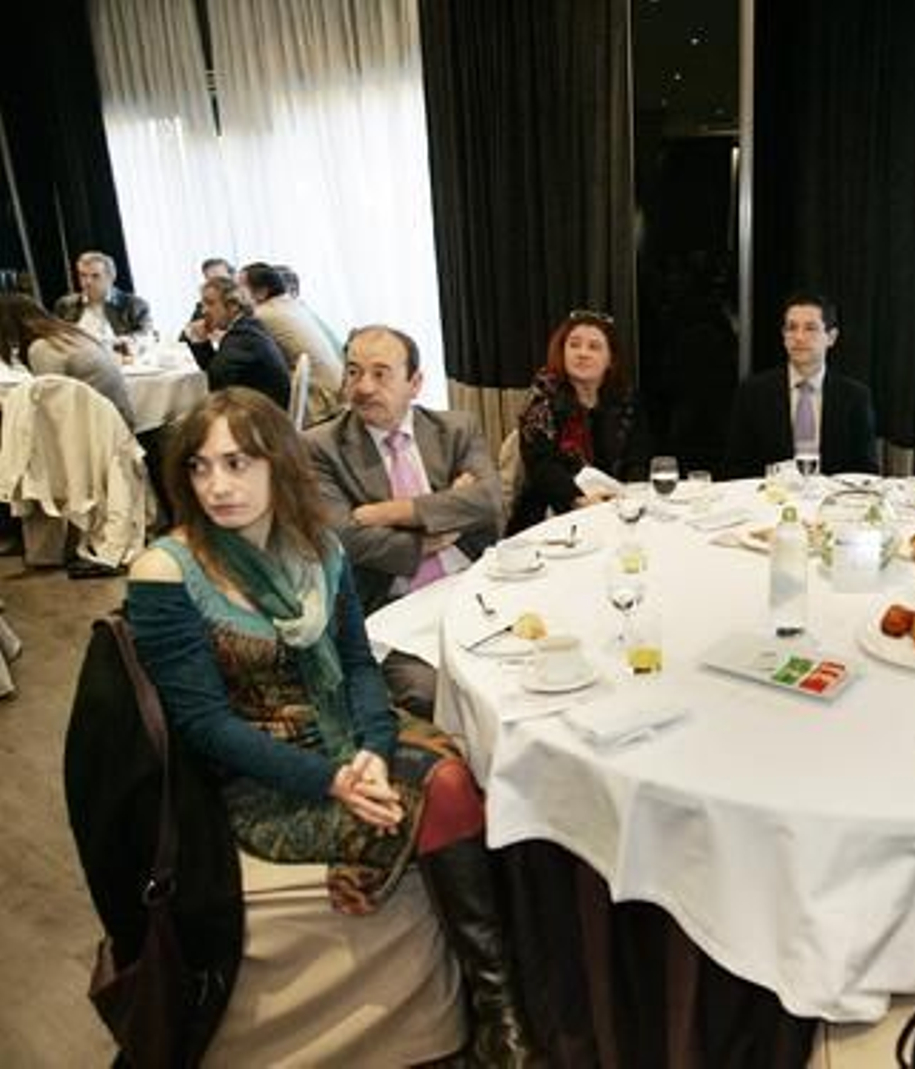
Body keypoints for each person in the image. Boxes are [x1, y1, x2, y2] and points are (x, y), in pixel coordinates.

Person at [124, 389, 532, 1063]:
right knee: (440, 792)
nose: (218, 486)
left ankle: (496, 1004)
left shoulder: (318, 548)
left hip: (345, 736)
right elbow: (204, 725)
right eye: (200, 467)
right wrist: (331, 778)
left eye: (237, 463)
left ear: (278, 463)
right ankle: (499, 1008)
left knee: (463, 772)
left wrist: (371, 748)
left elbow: (357, 663)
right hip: (259, 775)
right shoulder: (168, 572)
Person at [305, 324, 501, 714]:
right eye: (354, 371)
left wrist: (389, 513)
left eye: (380, 373)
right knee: (432, 695)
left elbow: (491, 500)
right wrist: (437, 531)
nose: (362, 388)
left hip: (476, 587)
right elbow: (344, 537)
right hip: (394, 603)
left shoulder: (456, 429)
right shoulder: (319, 447)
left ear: (415, 383)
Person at [505, 309, 651, 535]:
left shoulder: (625, 397)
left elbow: (638, 456)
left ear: (610, 359)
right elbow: (542, 468)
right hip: (553, 512)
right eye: (574, 345)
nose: (582, 353)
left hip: (616, 505)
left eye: (594, 347)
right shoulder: (541, 398)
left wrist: (629, 494)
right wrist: (578, 500)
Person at [721, 291, 878, 478]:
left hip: (831, 503)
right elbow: (735, 468)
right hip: (770, 501)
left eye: (810, 328)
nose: (799, 337)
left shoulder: (855, 396)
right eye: (791, 328)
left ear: (831, 337)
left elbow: (866, 472)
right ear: (783, 336)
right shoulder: (753, 392)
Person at [0, 292, 135, 429]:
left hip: (101, 431)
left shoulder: (42, 347)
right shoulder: (67, 334)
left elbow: (53, 406)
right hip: (117, 421)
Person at [238, 262, 344, 423]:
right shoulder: (290, 304)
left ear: (261, 292)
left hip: (320, 397)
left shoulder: (264, 315)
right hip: (337, 388)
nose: (235, 293)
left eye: (240, 287)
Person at [185, 277, 292, 408]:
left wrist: (200, 341)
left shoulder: (243, 337)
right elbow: (215, 371)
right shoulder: (247, 326)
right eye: (203, 304)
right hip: (264, 407)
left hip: (262, 417)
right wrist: (201, 341)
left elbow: (217, 384)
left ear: (233, 306)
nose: (203, 311)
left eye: (210, 303)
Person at [52, 250, 155, 357]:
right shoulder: (65, 305)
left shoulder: (134, 305)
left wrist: (127, 342)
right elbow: (56, 336)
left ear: (110, 277)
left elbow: (146, 335)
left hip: (118, 361)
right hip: (77, 360)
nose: (88, 282)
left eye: (95, 276)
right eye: (83, 275)